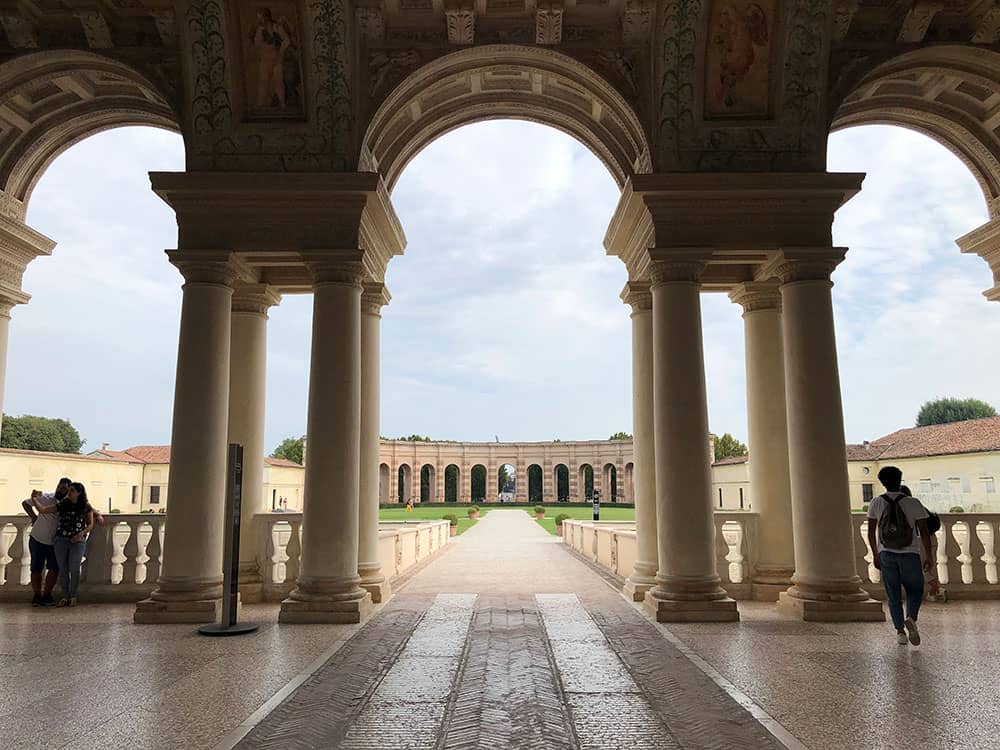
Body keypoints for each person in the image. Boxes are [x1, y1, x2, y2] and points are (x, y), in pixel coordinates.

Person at [867, 466, 932, 646]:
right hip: (910, 554)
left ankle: (900, 631)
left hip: (886, 554)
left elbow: (871, 532)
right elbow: (924, 532)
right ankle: (911, 617)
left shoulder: (876, 503)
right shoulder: (913, 502)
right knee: (915, 590)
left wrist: (875, 553)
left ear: (882, 482)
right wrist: (929, 556)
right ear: (900, 479)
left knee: (893, 593)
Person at [34, 481, 94, 607]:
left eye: (72, 490)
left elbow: (90, 524)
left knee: (74, 568)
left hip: (77, 541)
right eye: (69, 490)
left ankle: (73, 596)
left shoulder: (85, 506)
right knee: (63, 569)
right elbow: (43, 510)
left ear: (79, 493)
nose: (69, 493)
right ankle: (65, 596)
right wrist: (34, 498)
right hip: (61, 540)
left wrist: (81, 534)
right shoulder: (63, 504)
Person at [20, 477, 72, 607]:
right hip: (38, 539)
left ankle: (47, 595)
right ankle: (37, 596)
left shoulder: (70, 503)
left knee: (54, 569)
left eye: (64, 488)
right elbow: (26, 503)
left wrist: (97, 514)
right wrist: (33, 517)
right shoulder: (47, 497)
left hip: (56, 542)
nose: (61, 489)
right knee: (36, 568)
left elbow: (86, 508)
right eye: (60, 486)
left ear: (69, 490)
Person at [901, 484, 943, 602]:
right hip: (931, 538)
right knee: (927, 567)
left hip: (922, 541)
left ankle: (937, 588)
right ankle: (934, 592)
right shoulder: (918, 505)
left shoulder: (907, 508)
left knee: (920, 569)